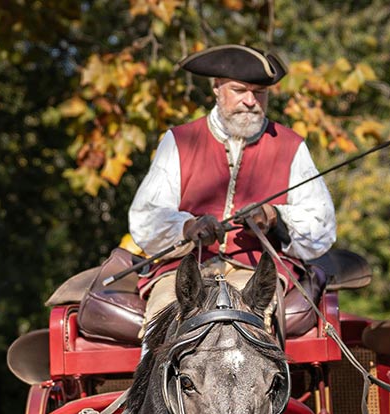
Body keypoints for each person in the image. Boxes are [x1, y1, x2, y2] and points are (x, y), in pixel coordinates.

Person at [128, 44, 336, 332]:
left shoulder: (291, 145)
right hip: (185, 270)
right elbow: (146, 217)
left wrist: (274, 217)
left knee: (243, 318)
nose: (250, 101)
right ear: (217, 87)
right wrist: (187, 227)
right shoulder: (180, 140)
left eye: (259, 93)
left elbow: (321, 226)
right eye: (240, 90)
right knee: (164, 317)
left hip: (256, 272)